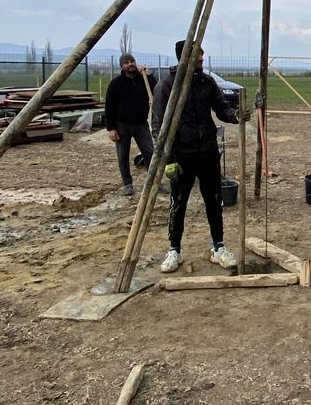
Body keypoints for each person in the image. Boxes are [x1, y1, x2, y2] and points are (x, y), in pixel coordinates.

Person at [152, 41, 250, 274]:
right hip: (181, 154)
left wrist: (236, 116)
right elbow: (158, 125)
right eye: (198, 54)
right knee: (178, 203)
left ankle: (218, 246)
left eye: (202, 54)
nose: (202, 58)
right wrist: (168, 160)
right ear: (185, 57)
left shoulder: (207, 82)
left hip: (207, 151)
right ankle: (174, 249)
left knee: (214, 201)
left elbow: (221, 109)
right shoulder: (167, 87)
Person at [105, 53, 154, 196]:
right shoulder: (116, 84)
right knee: (123, 155)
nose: (130, 64)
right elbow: (109, 107)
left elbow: (154, 89)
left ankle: (153, 182)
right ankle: (127, 184)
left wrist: (149, 75)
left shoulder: (143, 80)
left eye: (132, 61)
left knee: (150, 152)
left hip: (141, 124)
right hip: (122, 125)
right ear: (122, 66)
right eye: (126, 62)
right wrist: (111, 128)